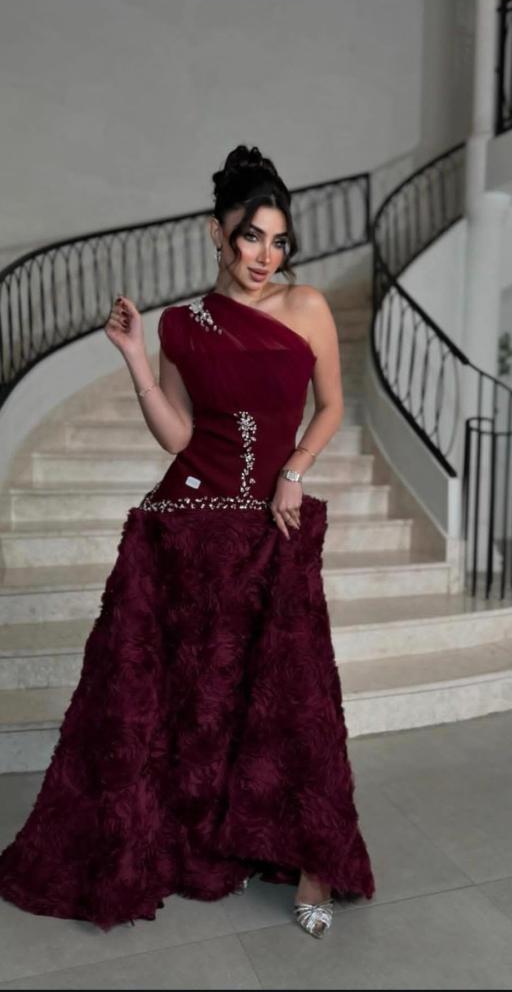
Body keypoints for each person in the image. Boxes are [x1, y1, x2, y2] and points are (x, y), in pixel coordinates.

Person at [0, 144, 376, 939]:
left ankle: (311, 860)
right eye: (250, 237)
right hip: (187, 525)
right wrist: (137, 359)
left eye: (278, 241)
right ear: (217, 232)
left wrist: (294, 471)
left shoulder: (307, 306)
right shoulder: (182, 324)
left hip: (269, 524)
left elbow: (332, 406)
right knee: (192, 699)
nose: (265, 256)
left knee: (292, 695)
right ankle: (196, 837)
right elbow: (177, 436)